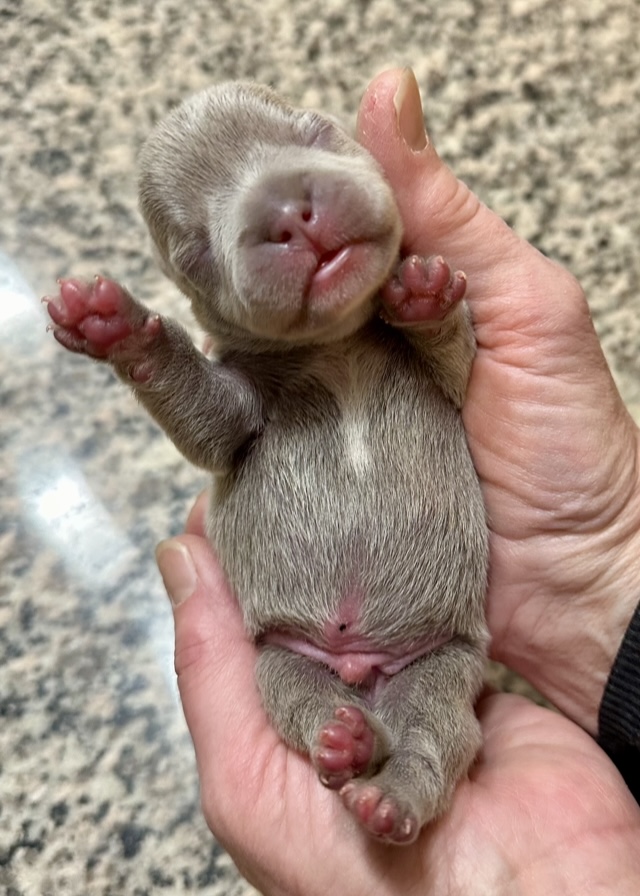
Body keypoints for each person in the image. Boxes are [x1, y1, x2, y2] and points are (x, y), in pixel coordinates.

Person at [155, 68, 640, 894]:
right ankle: (345, 741)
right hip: (294, 645)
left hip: (438, 639)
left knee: (442, 713)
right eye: (204, 249)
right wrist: (149, 355)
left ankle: (409, 781)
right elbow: (213, 432)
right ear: (200, 298)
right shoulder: (247, 369)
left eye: (310, 139)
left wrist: (438, 324)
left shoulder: (409, 317)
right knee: (291, 692)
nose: (287, 212)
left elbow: (457, 373)